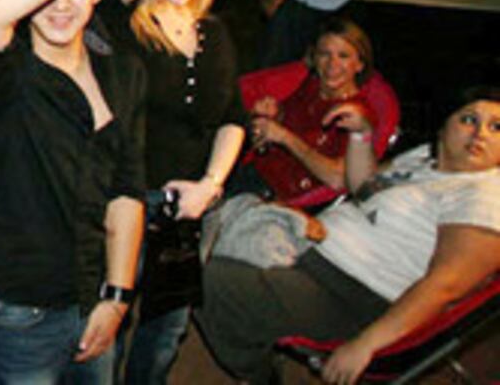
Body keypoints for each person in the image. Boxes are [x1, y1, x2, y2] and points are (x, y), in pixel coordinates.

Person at [0, 0, 180, 383]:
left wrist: (117, 297)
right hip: (22, 312)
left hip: (95, 299)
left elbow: (127, 188)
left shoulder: (123, 73)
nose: (60, 4)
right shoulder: (5, 72)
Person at [198, 87, 500, 385]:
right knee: (205, 233)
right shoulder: (424, 159)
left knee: (206, 283)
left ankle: (256, 373)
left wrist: (366, 344)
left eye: (496, 127)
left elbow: (446, 285)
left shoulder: (485, 197)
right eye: (469, 119)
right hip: (309, 251)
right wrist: (361, 136)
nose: (480, 134)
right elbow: (365, 189)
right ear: (444, 125)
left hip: (353, 295)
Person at [108, 0, 245, 384]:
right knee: (110, 317)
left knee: (167, 327)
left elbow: (233, 117)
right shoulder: (124, 24)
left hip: (191, 205)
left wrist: (210, 184)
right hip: (128, 198)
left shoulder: (215, 33)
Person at [235, 18, 381, 203]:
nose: (332, 64)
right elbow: (290, 120)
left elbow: (338, 178)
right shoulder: (312, 86)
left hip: (276, 197)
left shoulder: (356, 115)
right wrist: (273, 115)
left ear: (359, 64)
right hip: (252, 172)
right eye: (324, 54)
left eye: (343, 56)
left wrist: (284, 137)